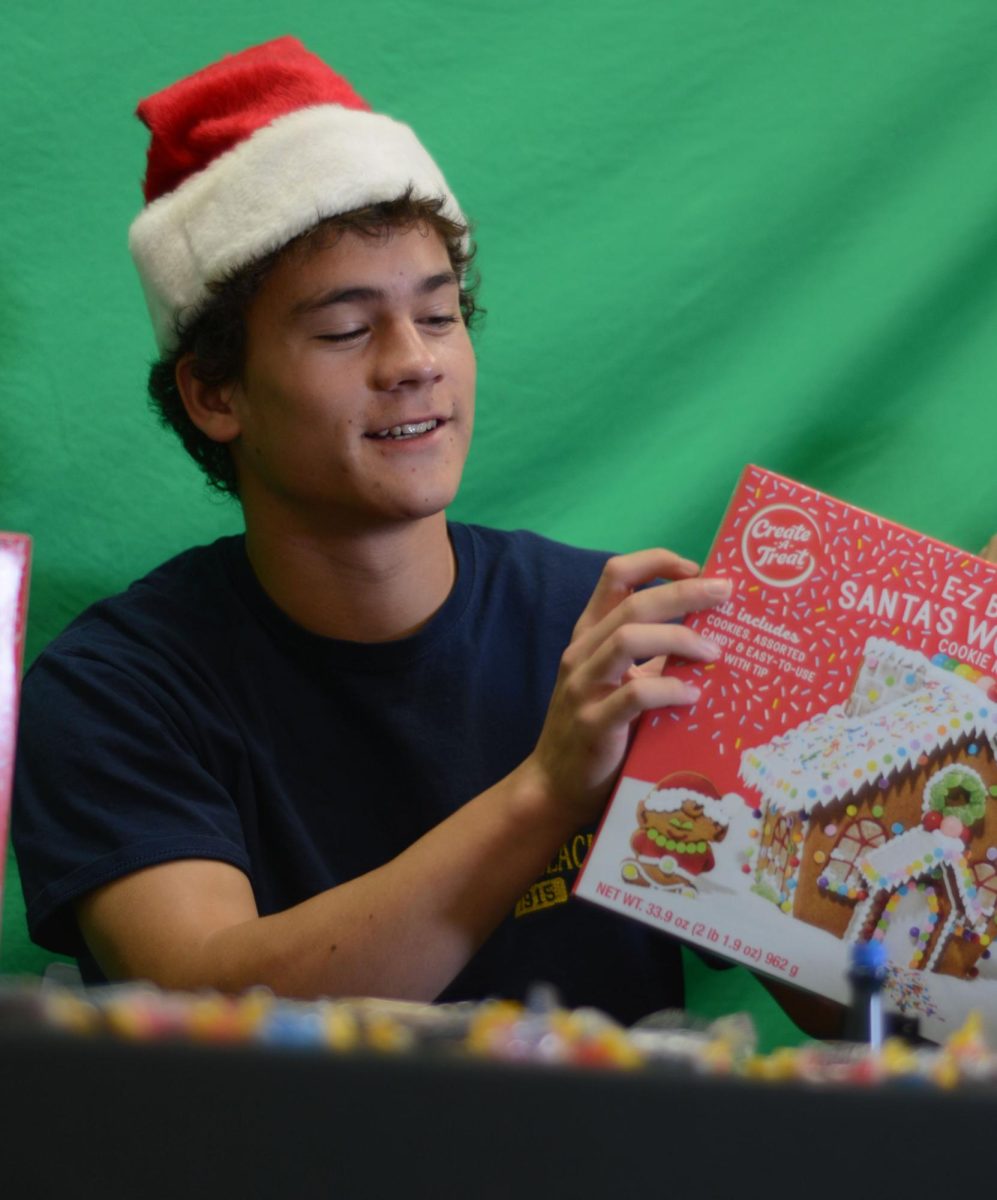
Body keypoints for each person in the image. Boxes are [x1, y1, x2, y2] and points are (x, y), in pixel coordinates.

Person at [13, 37, 736, 1026]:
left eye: (439, 318)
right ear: (215, 392)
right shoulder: (118, 688)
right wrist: (546, 793)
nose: (413, 363)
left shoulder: (608, 632)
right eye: (347, 331)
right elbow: (196, 1016)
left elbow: (848, 991)